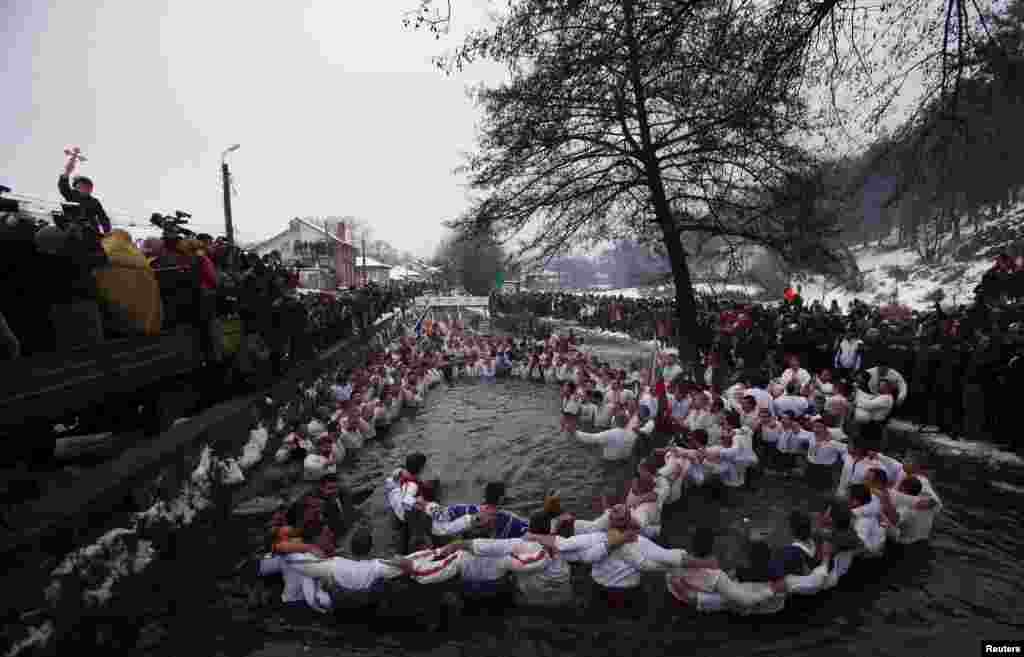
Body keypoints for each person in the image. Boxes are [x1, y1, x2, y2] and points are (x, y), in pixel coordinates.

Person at [58, 150, 111, 236]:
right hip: (71, 230)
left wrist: (107, 233)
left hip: (90, 232)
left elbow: (103, 218)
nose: (81, 188)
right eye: (78, 186)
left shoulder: (94, 202)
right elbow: (63, 186)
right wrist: (67, 172)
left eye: (85, 186)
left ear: (90, 189)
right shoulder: (72, 195)